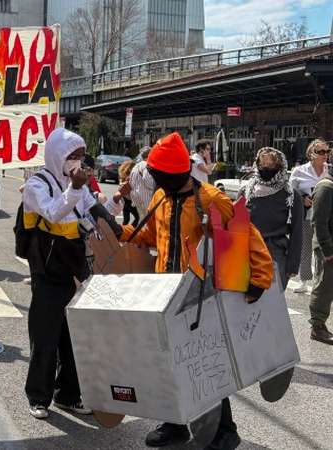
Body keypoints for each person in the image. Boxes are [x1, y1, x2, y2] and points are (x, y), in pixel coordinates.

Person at [121, 132, 273, 450]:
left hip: (200, 296)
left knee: (206, 364)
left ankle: (224, 432)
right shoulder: (160, 198)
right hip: (165, 294)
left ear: (175, 173)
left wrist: (260, 278)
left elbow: (247, 234)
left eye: (159, 174)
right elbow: (151, 236)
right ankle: (175, 424)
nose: (155, 179)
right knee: (169, 364)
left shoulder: (211, 198)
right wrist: (119, 230)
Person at [22, 128, 126, 420]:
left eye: (81, 156)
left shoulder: (76, 185)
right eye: (72, 156)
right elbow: (53, 212)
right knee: (45, 337)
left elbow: (94, 212)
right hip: (48, 272)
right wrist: (77, 188)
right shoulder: (37, 185)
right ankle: (38, 397)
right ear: (58, 156)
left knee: (75, 338)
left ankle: (68, 394)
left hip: (76, 270)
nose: (77, 162)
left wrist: (116, 211)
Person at [239, 148, 303, 290]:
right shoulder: (246, 191)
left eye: (271, 165)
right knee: (244, 298)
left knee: (272, 298)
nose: (266, 168)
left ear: (280, 166)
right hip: (247, 252)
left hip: (275, 254)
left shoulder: (291, 195)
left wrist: (292, 265)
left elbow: (297, 232)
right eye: (263, 165)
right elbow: (236, 223)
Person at [290, 139, 329, 294]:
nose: (325, 155)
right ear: (311, 153)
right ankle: (304, 281)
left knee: (323, 250)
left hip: (326, 219)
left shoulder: (330, 170)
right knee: (305, 248)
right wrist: (302, 199)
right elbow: (290, 192)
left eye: (327, 151)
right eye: (321, 152)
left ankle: (321, 281)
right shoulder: (299, 171)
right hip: (306, 216)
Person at [309, 154, 333, 345]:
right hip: (328, 247)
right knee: (324, 286)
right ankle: (317, 327)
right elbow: (318, 221)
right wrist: (328, 250)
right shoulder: (326, 187)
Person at [129, 146, 155, 219]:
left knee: (142, 219)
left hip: (136, 197)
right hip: (145, 198)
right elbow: (149, 182)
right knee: (148, 220)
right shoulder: (146, 165)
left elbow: (131, 181)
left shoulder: (136, 166)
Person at [118, 160, 139, 226]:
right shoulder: (131, 177)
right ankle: (130, 230)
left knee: (126, 220)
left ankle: (122, 231)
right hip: (130, 202)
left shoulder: (123, 176)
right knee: (137, 218)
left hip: (124, 202)